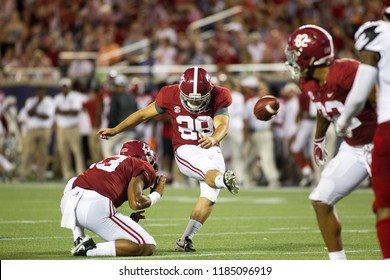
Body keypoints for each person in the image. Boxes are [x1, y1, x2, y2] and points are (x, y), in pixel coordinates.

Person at [97, 67, 240, 252]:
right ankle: (223, 180)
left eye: (199, 100)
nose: (194, 104)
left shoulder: (220, 95)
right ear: (181, 90)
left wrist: (213, 138)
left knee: (209, 196)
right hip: (186, 148)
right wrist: (116, 129)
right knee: (210, 174)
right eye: (190, 98)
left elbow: (223, 124)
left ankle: (185, 240)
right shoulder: (169, 94)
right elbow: (142, 114)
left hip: (211, 147)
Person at [285, 24, 377, 260]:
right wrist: (319, 138)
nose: (292, 60)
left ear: (311, 56)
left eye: (295, 55)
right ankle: (338, 266)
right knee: (321, 199)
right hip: (354, 148)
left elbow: (381, 100)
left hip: (380, 144)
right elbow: (323, 109)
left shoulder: (347, 71)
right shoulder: (308, 82)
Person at [336, 8, 390, 260]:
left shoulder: (378, 33)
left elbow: (362, 87)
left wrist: (344, 120)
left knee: (385, 206)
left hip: (388, 126)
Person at [60, 140, 166, 257]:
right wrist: (157, 194)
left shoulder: (110, 161)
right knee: (146, 245)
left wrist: (126, 221)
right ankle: (90, 249)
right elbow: (136, 202)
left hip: (68, 202)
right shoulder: (141, 164)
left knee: (74, 182)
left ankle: (78, 237)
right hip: (93, 206)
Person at [53, 77, 86, 181]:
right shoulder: (57, 98)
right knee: (63, 152)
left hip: (73, 128)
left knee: (77, 151)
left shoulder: (75, 97)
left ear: (69, 87)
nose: (64, 88)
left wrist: (61, 111)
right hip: (61, 128)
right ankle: (66, 174)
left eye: (66, 86)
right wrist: (66, 111)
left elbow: (75, 111)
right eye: (63, 87)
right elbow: (55, 112)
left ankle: (80, 173)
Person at [19, 87, 54, 182]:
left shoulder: (49, 101)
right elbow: (29, 113)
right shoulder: (30, 101)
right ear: (36, 93)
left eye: (42, 92)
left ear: (45, 92)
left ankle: (40, 175)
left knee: (42, 153)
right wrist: (37, 104)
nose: (40, 94)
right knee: (28, 152)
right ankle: (24, 174)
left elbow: (46, 116)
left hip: (44, 129)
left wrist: (36, 113)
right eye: (39, 92)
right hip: (32, 129)